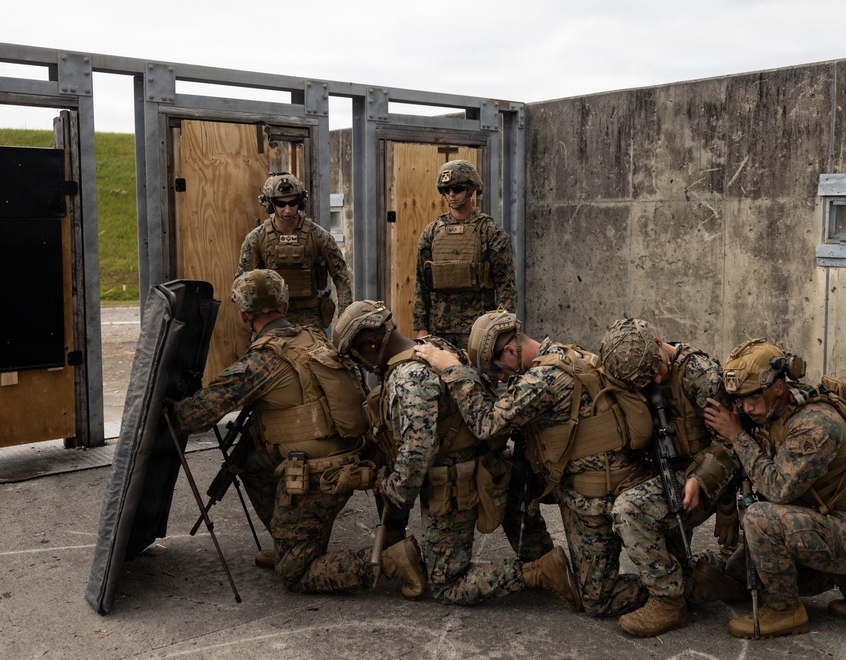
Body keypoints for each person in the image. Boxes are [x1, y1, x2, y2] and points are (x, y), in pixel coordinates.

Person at [172, 270, 425, 597]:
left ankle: (392, 560)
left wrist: (170, 405)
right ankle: (288, 541)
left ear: (244, 314)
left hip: (317, 476)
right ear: (286, 304)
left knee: (295, 573)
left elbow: (195, 418)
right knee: (249, 461)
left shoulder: (260, 360)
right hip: (355, 456)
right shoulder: (315, 337)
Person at [333, 300, 580, 609]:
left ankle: (541, 571)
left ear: (370, 345)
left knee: (448, 583)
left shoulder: (408, 379)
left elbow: (416, 455)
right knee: (521, 525)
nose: (362, 366)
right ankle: (541, 555)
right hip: (486, 467)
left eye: (358, 357)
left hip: (453, 486)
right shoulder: (434, 346)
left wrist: (392, 489)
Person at [413, 310, 650, 618]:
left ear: (511, 350)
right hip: (575, 472)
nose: (499, 379)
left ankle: (674, 583)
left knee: (596, 601)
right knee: (511, 478)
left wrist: (453, 370)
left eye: (497, 370)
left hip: (593, 493)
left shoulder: (542, 380)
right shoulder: (564, 353)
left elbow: (487, 425)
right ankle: (545, 561)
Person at [703, 338, 846, 639]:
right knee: (740, 572)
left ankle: (786, 611)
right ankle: (844, 576)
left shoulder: (816, 423)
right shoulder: (773, 411)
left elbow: (778, 489)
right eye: (740, 400)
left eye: (753, 398)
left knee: (761, 519)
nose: (746, 408)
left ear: (777, 387)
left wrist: (736, 435)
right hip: (818, 521)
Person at [599, 318, 741, 637]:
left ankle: (668, 601)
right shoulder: (630, 369)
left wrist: (700, 479)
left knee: (629, 510)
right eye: (645, 380)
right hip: (668, 468)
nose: (656, 379)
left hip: (710, 477)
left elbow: (733, 441)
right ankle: (705, 579)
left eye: (656, 371)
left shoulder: (701, 376)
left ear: (659, 341)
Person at [413, 160, 516, 349]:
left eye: (457, 188)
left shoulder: (490, 232)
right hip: (439, 328)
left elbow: (506, 286)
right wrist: (421, 327)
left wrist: (503, 329)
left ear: (471, 190)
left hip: (479, 329)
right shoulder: (432, 232)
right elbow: (422, 283)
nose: (451, 194)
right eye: (446, 190)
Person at [237, 172, 353, 329]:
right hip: (271, 319)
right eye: (281, 204)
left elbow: (341, 278)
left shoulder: (319, 236)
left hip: (310, 318)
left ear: (301, 202)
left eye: (292, 203)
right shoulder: (257, 238)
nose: (287, 210)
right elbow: (240, 282)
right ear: (270, 204)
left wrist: (345, 318)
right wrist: (253, 319)